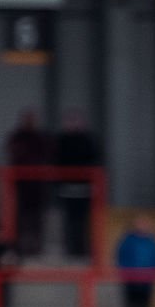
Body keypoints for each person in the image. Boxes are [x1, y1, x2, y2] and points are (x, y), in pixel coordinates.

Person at [50, 109, 101, 260]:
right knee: (69, 221)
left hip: (84, 188)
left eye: (76, 121)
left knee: (83, 221)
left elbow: (94, 160)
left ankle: (82, 250)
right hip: (67, 188)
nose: (73, 125)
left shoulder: (88, 141)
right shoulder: (61, 141)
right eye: (70, 122)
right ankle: (70, 250)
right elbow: (56, 162)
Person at [5, 109, 51, 255]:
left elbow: (48, 155)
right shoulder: (17, 137)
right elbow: (11, 153)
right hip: (21, 185)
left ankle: (36, 247)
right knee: (20, 218)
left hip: (37, 186)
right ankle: (18, 246)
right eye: (27, 119)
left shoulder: (40, 137)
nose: (30, 122)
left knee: (36, 219)